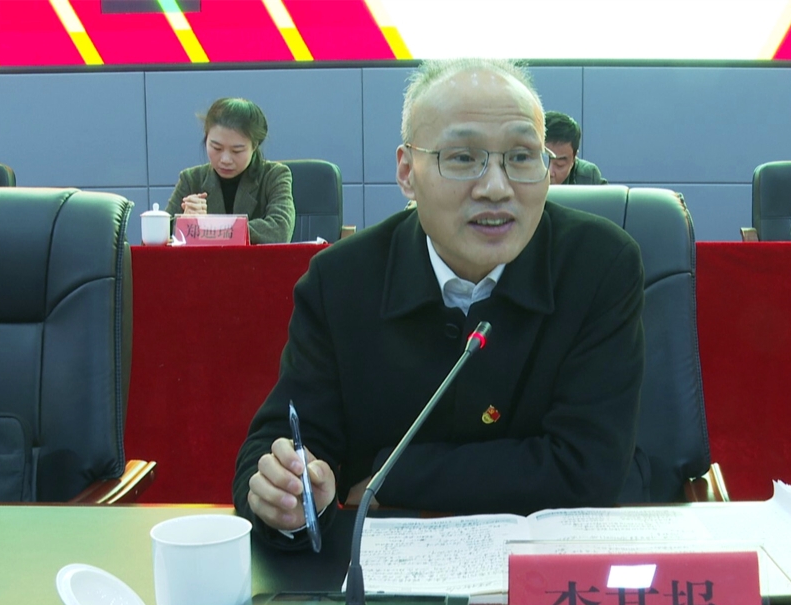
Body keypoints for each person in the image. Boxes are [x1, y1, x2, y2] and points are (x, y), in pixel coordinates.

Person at [233, 58, 646, 549]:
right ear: (407, 172)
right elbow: (281, 441)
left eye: (521, 156)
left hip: (551, 565)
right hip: (387, 571)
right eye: (463, 158)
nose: (496, 188)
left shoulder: (599, 265)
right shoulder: (341, 281)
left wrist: (393, 476)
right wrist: (286, 494)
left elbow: (589, 467)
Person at [167, 97, 295, 244]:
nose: (225, 159)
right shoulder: (191, 179)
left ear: (254, 146)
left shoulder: (274, 176)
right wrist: (184, 223)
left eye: (236, 150)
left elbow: (280, 230)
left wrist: (205, 229)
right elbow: (161, 233)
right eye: (216, 148)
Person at [544, 110, 607, 185]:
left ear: (573, 158)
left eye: (559, 164)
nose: (549, 172)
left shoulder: (589, 177)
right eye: (543, 161)